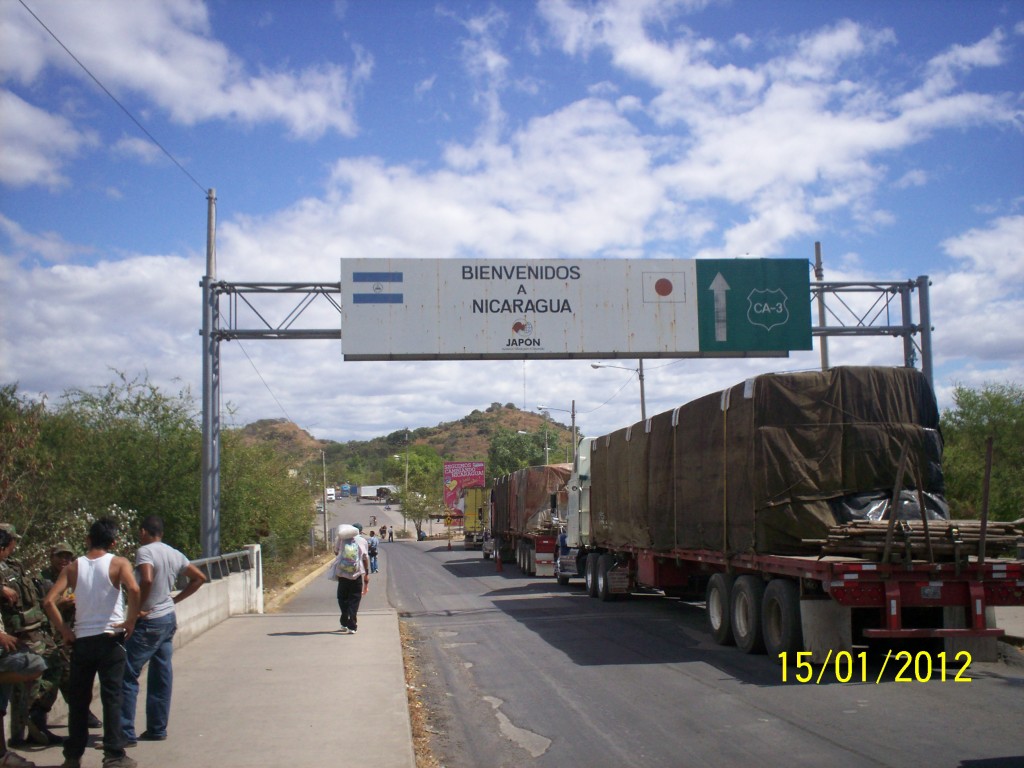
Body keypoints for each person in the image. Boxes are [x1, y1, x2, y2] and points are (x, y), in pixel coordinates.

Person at [42, 517, 141, 768]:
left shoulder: (74, 567)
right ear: (114, 541)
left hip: (82, 641)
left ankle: (73, 756)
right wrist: (130, 621)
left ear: (87, 540)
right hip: (111, 639)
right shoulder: (119, 563)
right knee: (112, 698)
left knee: (78, 701)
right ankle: (113, 755)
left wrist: (64, 629)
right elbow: (135, 590)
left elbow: (48, 601)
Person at [120, 516, 206, 746]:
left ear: (144, 532)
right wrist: (175, 600)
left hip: (149, 621)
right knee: (161, 674)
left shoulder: (145, 551)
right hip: (168, 617)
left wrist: (137, 609)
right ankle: (157, 728)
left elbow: (146, 579)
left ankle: (125, 732)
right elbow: (199, 578)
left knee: (126, 673)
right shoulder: (174, 553)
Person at [0, 524, 63, 747]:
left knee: (51, 667)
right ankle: (21, 733)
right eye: (13, 540)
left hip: (34, 628)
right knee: (30, 675)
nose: (15, 544)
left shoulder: (13, 565)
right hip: (14, 633)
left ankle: (34, 721)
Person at [37, 543, 102, 733]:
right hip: (49, 635)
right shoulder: (42, 580)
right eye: (60, 556)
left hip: (69, 634)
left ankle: (80, 712)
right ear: (51, 557)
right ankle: (39, 716)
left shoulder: (73, 576)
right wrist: (60, 603)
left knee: (71, 677)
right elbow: (41, 606)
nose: (64, 560)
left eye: (68, 557)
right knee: (56, 676)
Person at [0, 526, 46, 768]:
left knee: (35, 667)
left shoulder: (13, 566)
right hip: (8, 637)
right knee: (33, 665)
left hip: (13, 637)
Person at [331, 524, 369, 634]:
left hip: (342, 575)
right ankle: (352, 626)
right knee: (354, 599)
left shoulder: (341, 539)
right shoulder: (363, 541)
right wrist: (366, 574)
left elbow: (336, 552)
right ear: (359, 531)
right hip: (356, 574)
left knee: (342, 598)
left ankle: (344, 620)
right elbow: (365, 558)